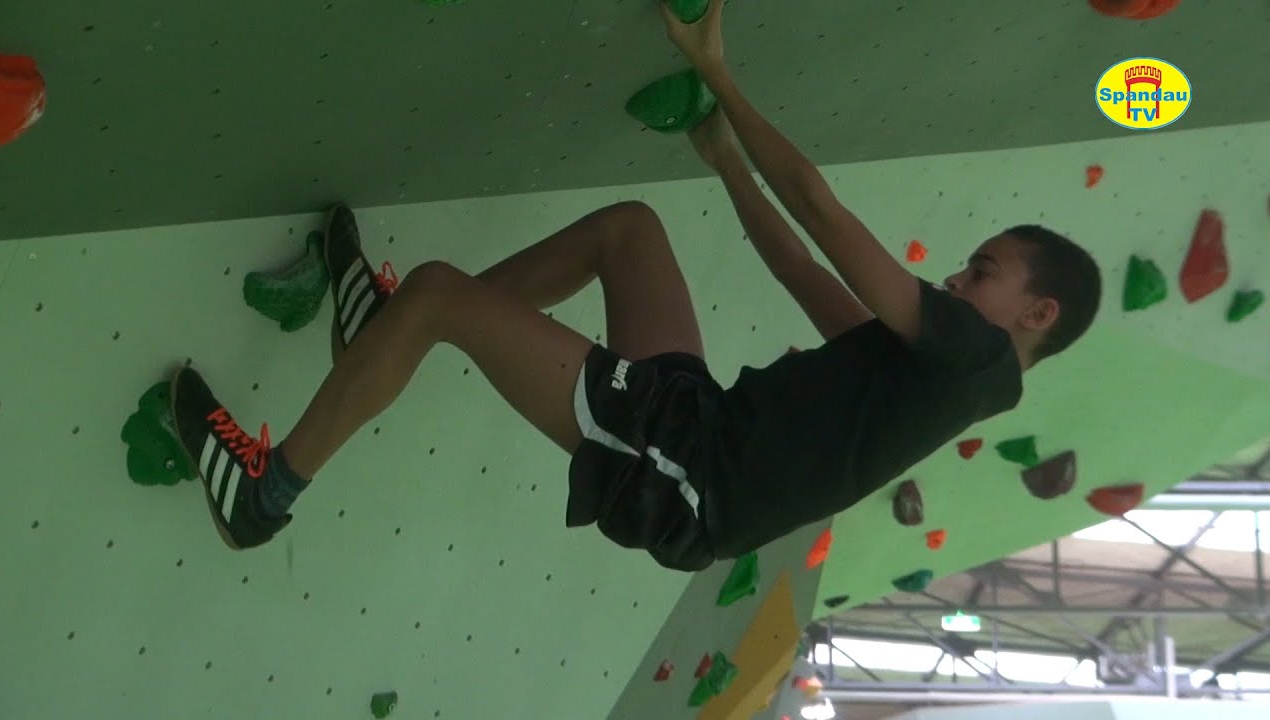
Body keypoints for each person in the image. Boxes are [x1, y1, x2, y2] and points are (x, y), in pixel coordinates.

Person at [170, 2, 1102, 572]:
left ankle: (267, 494)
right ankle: (388, 331)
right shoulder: (942, 371)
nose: (954, 275)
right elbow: (804, 273)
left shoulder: (973, 356)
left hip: (686, 481)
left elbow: (820, 210)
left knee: (443, 293)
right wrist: (726, 161)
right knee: (629, 231)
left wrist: (719, 74)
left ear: (1037, 313)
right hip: (695, 426)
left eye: (982, 270)